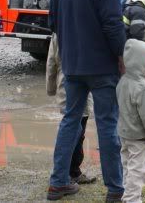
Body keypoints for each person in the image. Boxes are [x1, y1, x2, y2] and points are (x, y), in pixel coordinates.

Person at [47, 0, 126, 202]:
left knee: (70, 120)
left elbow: (53, 23)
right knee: (107, 123)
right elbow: (113, 26)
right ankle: (114, 189)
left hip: (72, 65)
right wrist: (121, 56)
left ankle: (58, 182)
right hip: (102, 68)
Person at [46, 33, 97, 185]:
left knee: (78, 135)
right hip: (73, 91)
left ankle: (73, 171)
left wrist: (50, 88)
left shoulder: (59, 32)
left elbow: (51, 63)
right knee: (73, 135)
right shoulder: (84, 30)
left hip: (74, 91)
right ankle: (64, 175)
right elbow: (52, 63)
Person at [116, 39, 145, 203]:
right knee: (138, 170)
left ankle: (127, 195)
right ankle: (133, 199)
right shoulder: (143, 88)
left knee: (127, 164)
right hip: (139, 138)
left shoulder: (122, 81)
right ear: (140, 63)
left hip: (124, 133)